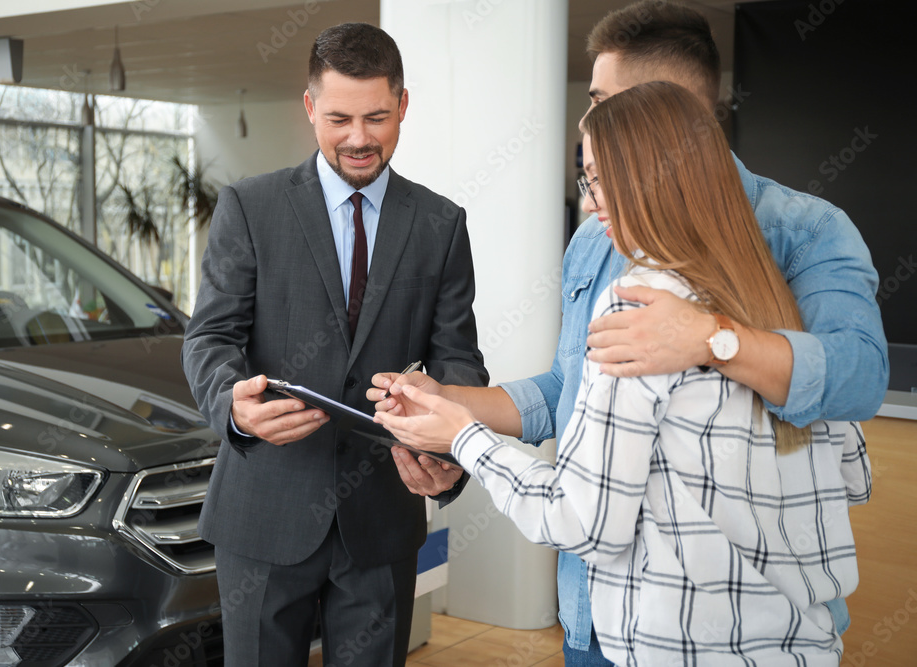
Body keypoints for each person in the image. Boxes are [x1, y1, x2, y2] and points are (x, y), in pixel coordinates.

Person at [369, 2, 887, 664]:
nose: (589, 129)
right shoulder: (600, 244)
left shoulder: (803, 232)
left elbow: (856, 379)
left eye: (604, 110)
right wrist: (451, 406)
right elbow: (573, 387)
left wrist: (710, 339)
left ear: (660, 128)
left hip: (668, 632)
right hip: (627, 615)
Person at [181, 22, 488, 666]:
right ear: (309, 107)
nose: (358, 139)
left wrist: (451, 452)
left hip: (381, 515)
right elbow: (211, 336)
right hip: (264, 509)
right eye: (339, 118)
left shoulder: (441, 225)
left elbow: (458, 359)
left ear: (403, 106)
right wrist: (232, 407)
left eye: (377, 118)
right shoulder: (249, 207)